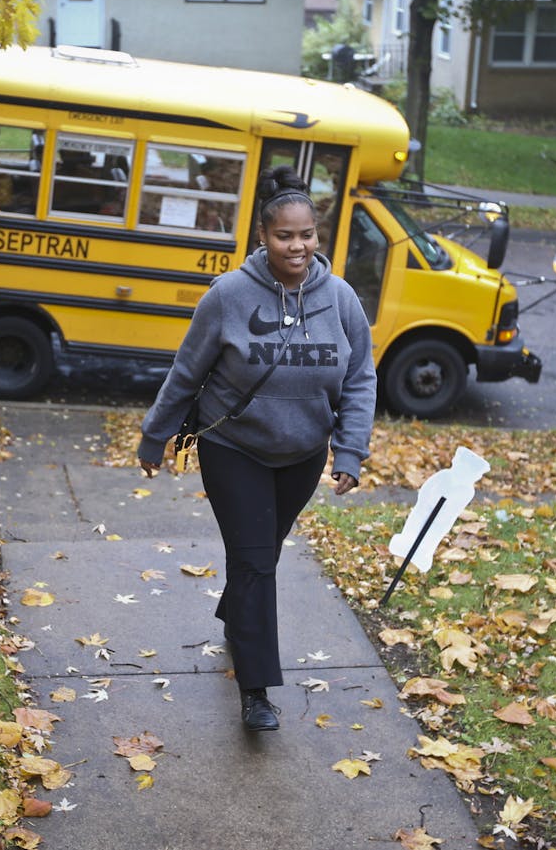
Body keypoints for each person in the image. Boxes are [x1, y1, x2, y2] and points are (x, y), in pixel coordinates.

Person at [136, 164, 377, 733]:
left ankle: (236, 617)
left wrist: (350, 450)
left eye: (307, 235)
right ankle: (257, 691)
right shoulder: (228, 294)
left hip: (302, 454)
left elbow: (362, 376)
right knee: (254, 562)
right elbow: (187, 371)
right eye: (284, 236)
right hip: (234, 446)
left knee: (257, 558)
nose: (297, 246)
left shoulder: (339, 298)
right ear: (263, 237)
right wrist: (156, 433)